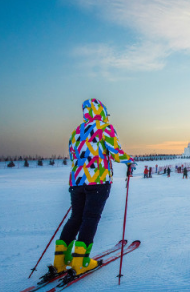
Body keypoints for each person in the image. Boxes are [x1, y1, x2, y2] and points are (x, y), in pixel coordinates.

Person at [48, 98, 135, 280]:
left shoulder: (76, 132)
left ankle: (60, 261)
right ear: (102, 112)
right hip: (98, 181)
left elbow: (73, 156)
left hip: (76, 182)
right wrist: (130, 161)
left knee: (76, 218)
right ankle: (80, 262)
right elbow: (116, 153)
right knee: (90, 219)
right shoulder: (104, 128)